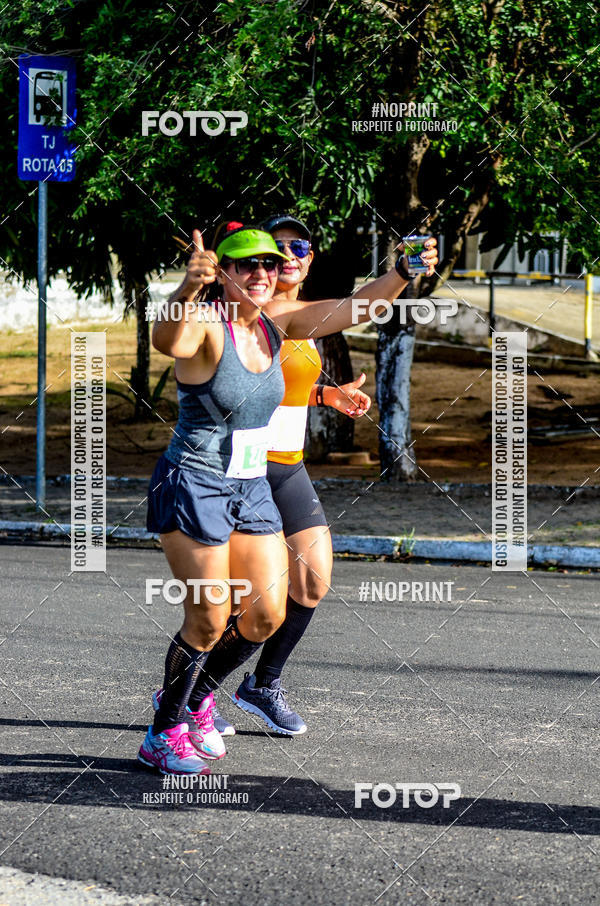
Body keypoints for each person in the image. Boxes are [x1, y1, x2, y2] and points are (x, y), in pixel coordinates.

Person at [141, 224, 437, 774]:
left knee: (263, 615)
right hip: (196, 482)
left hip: (252, 485)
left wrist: (402, 271)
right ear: (223, 272)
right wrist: (186, 289)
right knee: (208, 618)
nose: (260, 274)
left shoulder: (279, 325)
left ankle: (199, 698)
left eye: (269, 265)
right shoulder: (207, 324)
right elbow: (168, 342)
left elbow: (354, 309)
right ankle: (163, 731)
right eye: (245, 265)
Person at [228, 214, 371, 736]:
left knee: (311, 579)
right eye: (277, 247)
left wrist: (327, 394)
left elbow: (286, 387)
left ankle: (262, 685)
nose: (290, 253)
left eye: (300, 245)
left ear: (311, 258)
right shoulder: (254, 314)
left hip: (286, 467)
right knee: (238, 600)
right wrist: (399, 274)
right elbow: (362, 306)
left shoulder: (301, 317)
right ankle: (186, 694)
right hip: (241, 470)